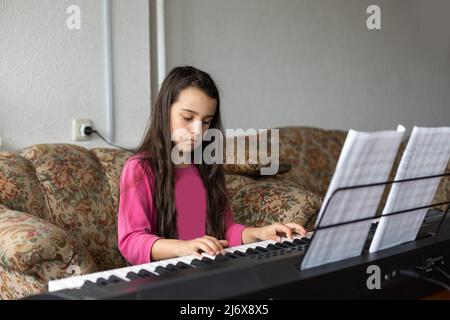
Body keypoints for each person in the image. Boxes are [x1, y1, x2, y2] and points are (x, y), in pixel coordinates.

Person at [117, 66, 306, 265]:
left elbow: (224, 229)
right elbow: (131, 241)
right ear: (164, 110)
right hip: (163, 277)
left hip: (206, 268)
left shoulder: (206, 165)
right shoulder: (140, 168)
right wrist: (184, 247)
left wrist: (258, 234)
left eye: (206, 122)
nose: (197, 131)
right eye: (188, 118)